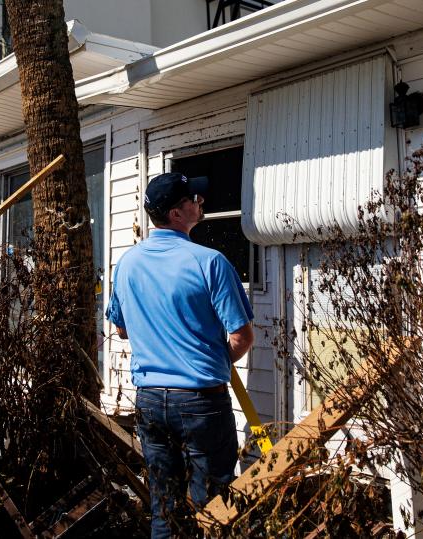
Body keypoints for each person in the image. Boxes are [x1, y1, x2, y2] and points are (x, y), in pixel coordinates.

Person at [106, 171, 255, 538]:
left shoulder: (127, 264)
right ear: (176, 213)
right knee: (215, 506)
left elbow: (122, 328)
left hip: (151, 401)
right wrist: (209, 360)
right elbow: (242, 336)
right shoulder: (209, 262)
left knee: (164, 504)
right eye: (194, 199)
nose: (200, 202)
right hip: (201, 402)